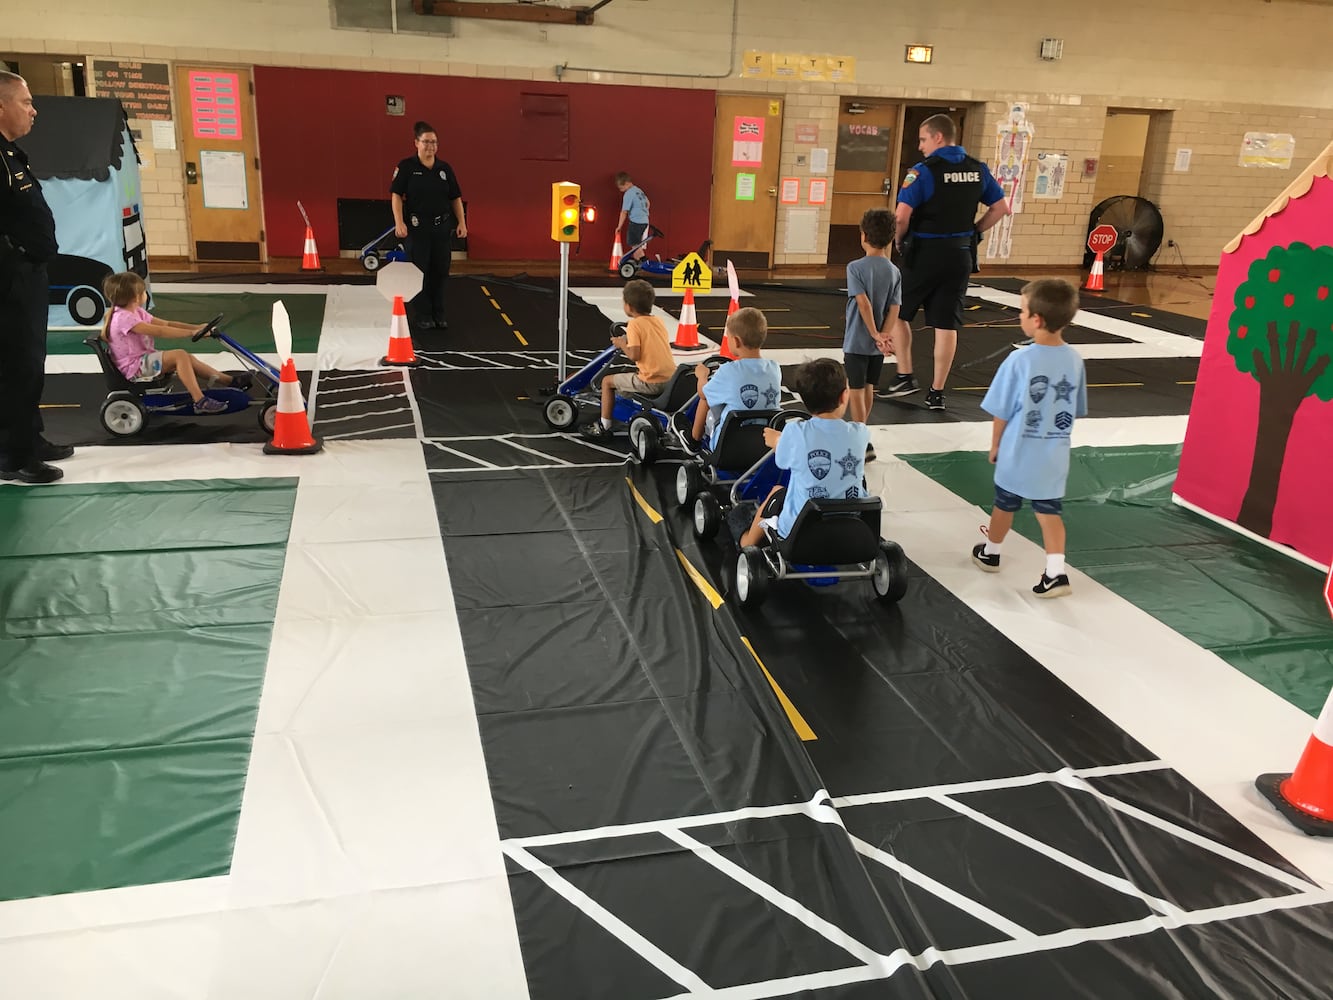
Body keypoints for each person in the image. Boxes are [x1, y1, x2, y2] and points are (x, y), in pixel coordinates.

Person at [880, 114, 1010, 412]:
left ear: (938, 137)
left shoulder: (924, 172)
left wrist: (899, 243)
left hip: (925, 252)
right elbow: (1001, 207)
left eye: (923, 139)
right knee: (946, 323)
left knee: (898, 313)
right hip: (960, 253)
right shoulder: (977, 170)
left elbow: (901, 216)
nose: (921, 146)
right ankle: (936, 392)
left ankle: (904, 375)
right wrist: (975, 231)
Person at [970, 278, 1087, 599]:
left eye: (1022, 310)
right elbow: (1074, 409)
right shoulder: (1074, 360)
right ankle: (1056, 571)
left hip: (1017, 453)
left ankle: (991, 552)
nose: (1019, 316)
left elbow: (1001, 410)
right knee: (1049, 513)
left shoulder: (1019, 360)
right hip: (1053, 457)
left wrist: (995, 445)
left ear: (1036, 320)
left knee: (1004, 506)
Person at [0, 71, 70, 484]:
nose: (33, 110)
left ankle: (30, 438)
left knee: (31, 362)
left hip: (28, 275)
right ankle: (14, 456)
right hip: (10, 279)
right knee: (16, 366)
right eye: (25, 102)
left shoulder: (11, 155)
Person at [740, 358, 870, 548]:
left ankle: (748, 541)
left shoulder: (794, 432)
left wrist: (777, 439)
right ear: (844, 396)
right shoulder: (860, 433)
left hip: (800, 529)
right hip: (851, 524)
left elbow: (783, 462)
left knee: (777, 492)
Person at [102, 271, 249, 413]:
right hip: (134, 367)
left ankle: (230, 381)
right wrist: (191, 333)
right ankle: (200, 401)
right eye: (144, 291)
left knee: (187, 358)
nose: (146, 294)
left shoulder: (136, 312)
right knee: (179, 355)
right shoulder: (124, 318)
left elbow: (166, 324)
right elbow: (160, 331)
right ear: (136, 297)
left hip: (142, 360)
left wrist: (197, 327)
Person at [670, 305, 781, 455]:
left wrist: (702, 376)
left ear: (736, 341)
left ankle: (693, 440)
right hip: (764, 444)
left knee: (706, 398)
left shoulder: (728, 370)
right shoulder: (774, 368)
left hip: (728, 445)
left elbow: (703, 393)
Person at [391, 121, 467, 331]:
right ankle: (423, 314)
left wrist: (462, 222)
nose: (430, 146)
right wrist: (399, 222)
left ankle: (439, 312)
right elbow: (396, 195)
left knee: (440, 271)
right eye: (426, 142)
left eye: (434, 142)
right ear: (416, 143)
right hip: (417, 229)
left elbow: (455, 197)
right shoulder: (406, 167)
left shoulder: (444, 169)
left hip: (442, 229)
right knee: (419, 271)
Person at [581, 278, 675, 440]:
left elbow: (634, 355)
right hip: (670, 379)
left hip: (651, 382)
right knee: (626, 378)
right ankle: (621, 408)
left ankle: (604, 425)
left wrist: (621, 343)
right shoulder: (658, 321)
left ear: (629, 306)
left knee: (607, 382)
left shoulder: (634, 325)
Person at [844, 208, 901, 462]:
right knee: (868, 387)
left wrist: (875, 333)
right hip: (877, 344)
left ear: (863, 236)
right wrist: (885, 335)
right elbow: (894, 307)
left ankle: (860, 438)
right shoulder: (894, 271)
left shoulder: (855, 267)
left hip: (858, 338)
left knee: (855, 389)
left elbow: (863, 303)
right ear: (890, 239)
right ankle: (860, 433)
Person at [615, 172, 650, 261]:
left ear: (626, 184)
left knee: (634, 244)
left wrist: (619, 226)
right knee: (636, 243)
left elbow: (624, 212)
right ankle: (637, 262)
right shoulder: (639, 190)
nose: (620, 190)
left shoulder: (629, 194)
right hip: (645, 220)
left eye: (621, 188)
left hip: (636, 222)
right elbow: (648, 203)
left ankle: (644, 261)